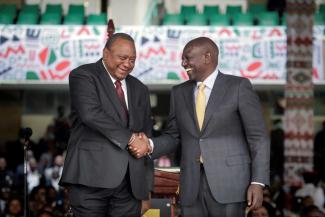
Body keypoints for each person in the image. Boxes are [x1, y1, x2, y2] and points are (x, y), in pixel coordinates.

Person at [130, 37, 270, 216]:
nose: (183, 63)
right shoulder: (178, 92)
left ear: (207, 56)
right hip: (191, 186)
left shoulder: (238, 87)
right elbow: (173, 136)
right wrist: (149, 145)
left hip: (231, 185)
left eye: (187, 58)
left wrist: (258, 182)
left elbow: (258, 138)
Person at [60, 32, 153, 217]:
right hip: (90, 180)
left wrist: (146, 188)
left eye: (133, 60)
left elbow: (145, 135)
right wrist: (131, 138)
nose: (128, 64)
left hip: (130, 186)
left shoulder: (140, 88)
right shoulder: (83, 75)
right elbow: (91, 114)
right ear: (106, 53)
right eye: (123, 57)